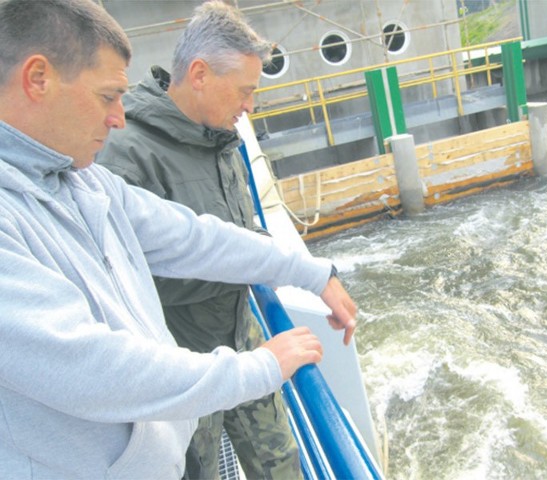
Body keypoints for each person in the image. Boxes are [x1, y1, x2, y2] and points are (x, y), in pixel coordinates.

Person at [0, 1, 357, 479]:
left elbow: (194, 237)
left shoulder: (81, 181)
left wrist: (313, 273)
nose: (118, 118)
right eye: (108, 96)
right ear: (38, 78)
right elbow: (87, 367)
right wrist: (259, 368)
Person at [96, 2, 316, 479]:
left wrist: (263, 259)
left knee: (281, 462)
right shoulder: (124, 153)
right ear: (199, 74)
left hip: (243, 336)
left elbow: (238, 229)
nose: (249, 107)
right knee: (198, 471)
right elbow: (127, 279)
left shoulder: (220, 136)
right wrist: (245, 265)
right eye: (245, 91)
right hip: (184, 364)